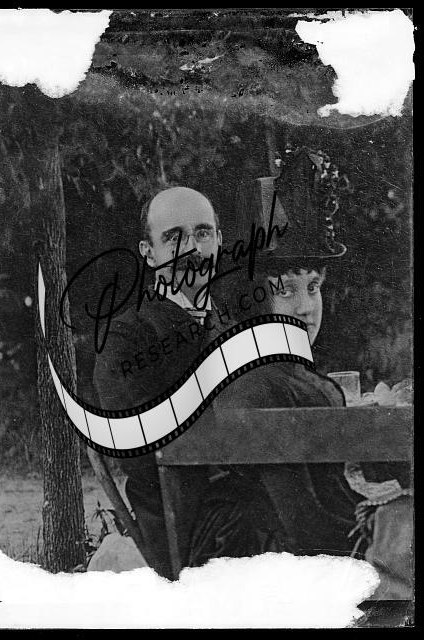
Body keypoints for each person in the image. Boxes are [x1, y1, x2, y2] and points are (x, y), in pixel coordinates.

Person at [187, 149, 412, 600]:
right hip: (265, 563)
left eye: (313, 287)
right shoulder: (255, 384)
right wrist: (379, 538)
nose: (307, 307)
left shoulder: (281, 372)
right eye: (286, 291)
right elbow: (304, 525)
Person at [93, 186, 234, 578]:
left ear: (219, 242)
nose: (193, 248)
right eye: (174, 237)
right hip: (183, 523)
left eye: (203, 233)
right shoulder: (126, 337)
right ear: (149, 252)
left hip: (240, 502)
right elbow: (136, 451)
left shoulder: (233, 325)